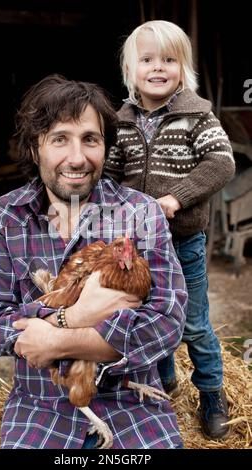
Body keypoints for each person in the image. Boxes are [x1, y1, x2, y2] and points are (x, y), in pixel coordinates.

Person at [0, 75, 187, 449]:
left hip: (131, 403)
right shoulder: (3, 219)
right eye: (60, 139)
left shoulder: (141, 213)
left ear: (105, 146)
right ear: (35, 148)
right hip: (41, 407)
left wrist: (55, 339)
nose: (77, 158)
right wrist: (80, 319)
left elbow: (167, 321)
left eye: (90, 139)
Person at [103, 20, 235, 440]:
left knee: (193, 323)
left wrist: (176, 197)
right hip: (137, 246)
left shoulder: (196, 116)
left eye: (168, 59)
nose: (158, 68)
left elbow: (221, 163)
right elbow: (110, 173)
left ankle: (213, 394)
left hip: (184, 242)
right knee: (149, 314)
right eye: (147, 60)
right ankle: (163, 382)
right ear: (130, 70)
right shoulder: (121, 122)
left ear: (183, 67)